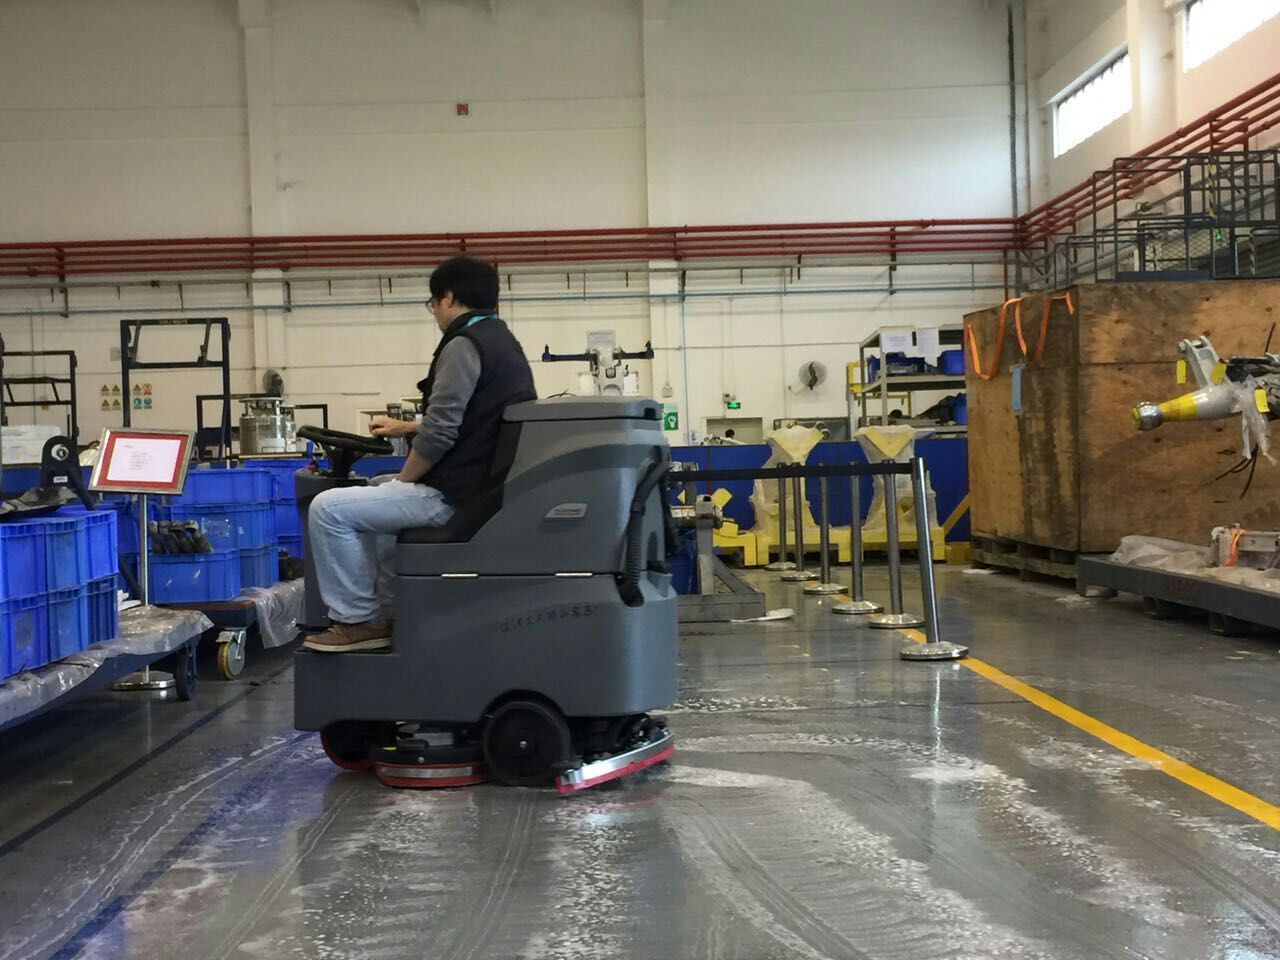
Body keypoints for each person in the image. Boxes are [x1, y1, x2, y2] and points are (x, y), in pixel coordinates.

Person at [304, 256, 537, 652]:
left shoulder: (463, 345)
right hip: (485, 486)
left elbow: (440, 433)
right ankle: (393, 613)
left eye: (433, 303)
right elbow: (475, 418)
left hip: (458, 495)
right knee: (376, 490)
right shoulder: (501, 340)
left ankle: (357, 620)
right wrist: (407, 428)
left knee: (328, 509)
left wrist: (405, 479)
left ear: (448, 297)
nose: (435, 313)